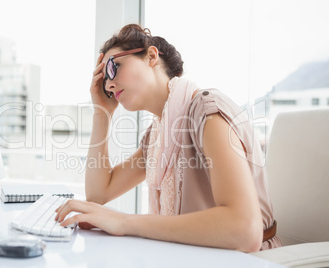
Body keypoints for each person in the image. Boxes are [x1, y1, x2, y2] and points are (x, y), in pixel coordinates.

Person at [55, 24, 281, 252]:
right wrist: (101, 112)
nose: (110, 84)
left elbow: (245, 230)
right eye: (104, 82)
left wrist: (124, 222)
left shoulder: (207, 112)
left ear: (151, 56)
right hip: (196, 255)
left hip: (249, 260)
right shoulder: (157, 135)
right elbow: (99, 193)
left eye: (113, 67)